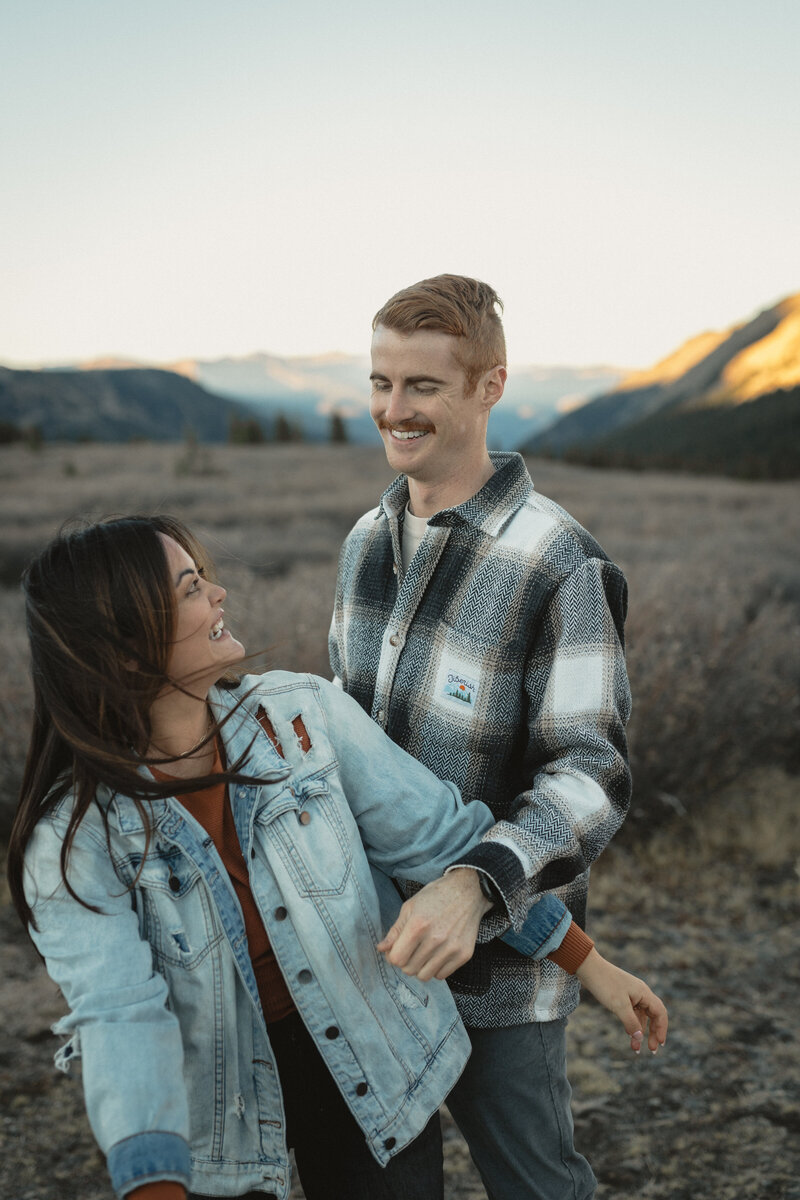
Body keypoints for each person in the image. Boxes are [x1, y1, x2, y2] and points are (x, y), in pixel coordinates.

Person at [8, 516, 666, 1200]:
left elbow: (444, 842)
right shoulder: (72, 838)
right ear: (126, 649)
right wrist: (152, 1185)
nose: (221, 594)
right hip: (217, 1115)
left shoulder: (303, 717)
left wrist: (587, 963)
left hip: (375, 1067)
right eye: (192, 588)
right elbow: (120, 1017)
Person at [330, 274, 650, 1199]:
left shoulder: (559, 561)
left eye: (423, 386)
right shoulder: (363, 544)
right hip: (368, 957)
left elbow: (591, 775)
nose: (395, 409)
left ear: (488, 386)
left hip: (504, 976)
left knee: (537, 1184)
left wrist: (476, 886)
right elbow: (348, 749)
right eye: (382, 382)